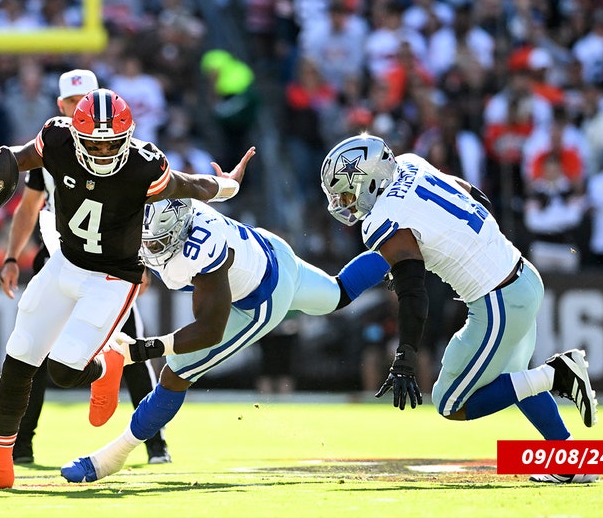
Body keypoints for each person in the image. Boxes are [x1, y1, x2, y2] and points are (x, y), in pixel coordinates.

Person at [0, 88, 255, 489]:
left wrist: (227, 186)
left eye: (112, 142)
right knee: (21, 353)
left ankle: (110, 364)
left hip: (113, 278)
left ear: (127, 136)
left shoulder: (143, 165)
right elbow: (20, 156)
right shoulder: (57, 138)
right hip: (64, 261)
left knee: (63, 369)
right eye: (94, 142)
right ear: (76, 136)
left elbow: (190, 186)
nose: (103, 151)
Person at [318, 133, 599, 484]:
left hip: (497, 300)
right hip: (521, 273)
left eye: (347, 193)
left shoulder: (383, 220)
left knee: (450, 402)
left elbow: (413, 292)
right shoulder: (410, 163)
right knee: (516, 378)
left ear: (370, 179)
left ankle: (558, 373)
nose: (346, 203)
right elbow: (475, 196)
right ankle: (571, 460)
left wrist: (405, 356)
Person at [60, 197, 390, 483]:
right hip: (273, 250)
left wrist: (143, 350)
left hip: (261, 300)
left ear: (177, 235)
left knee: (177, 372)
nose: (149, 249)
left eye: (157, 244)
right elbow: (196, 186)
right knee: (337, 293)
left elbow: (209, 331)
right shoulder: (169, 216)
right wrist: (226, 184)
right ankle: (399, 254)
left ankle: (112, 457)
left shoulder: (203, 255)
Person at [0, 69, 170, 466]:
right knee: (33, 349)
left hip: (111, 260)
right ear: (63, 108)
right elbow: (29, 207)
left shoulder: (124, 153)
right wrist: (12, 256)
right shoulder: (54, 147)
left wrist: (143, 259)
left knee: (130, 347)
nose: (84, 110)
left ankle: (155, 442)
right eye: (74, 103)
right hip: (60, 255)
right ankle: (21, 444)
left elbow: (141, 210)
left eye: (88, 99)